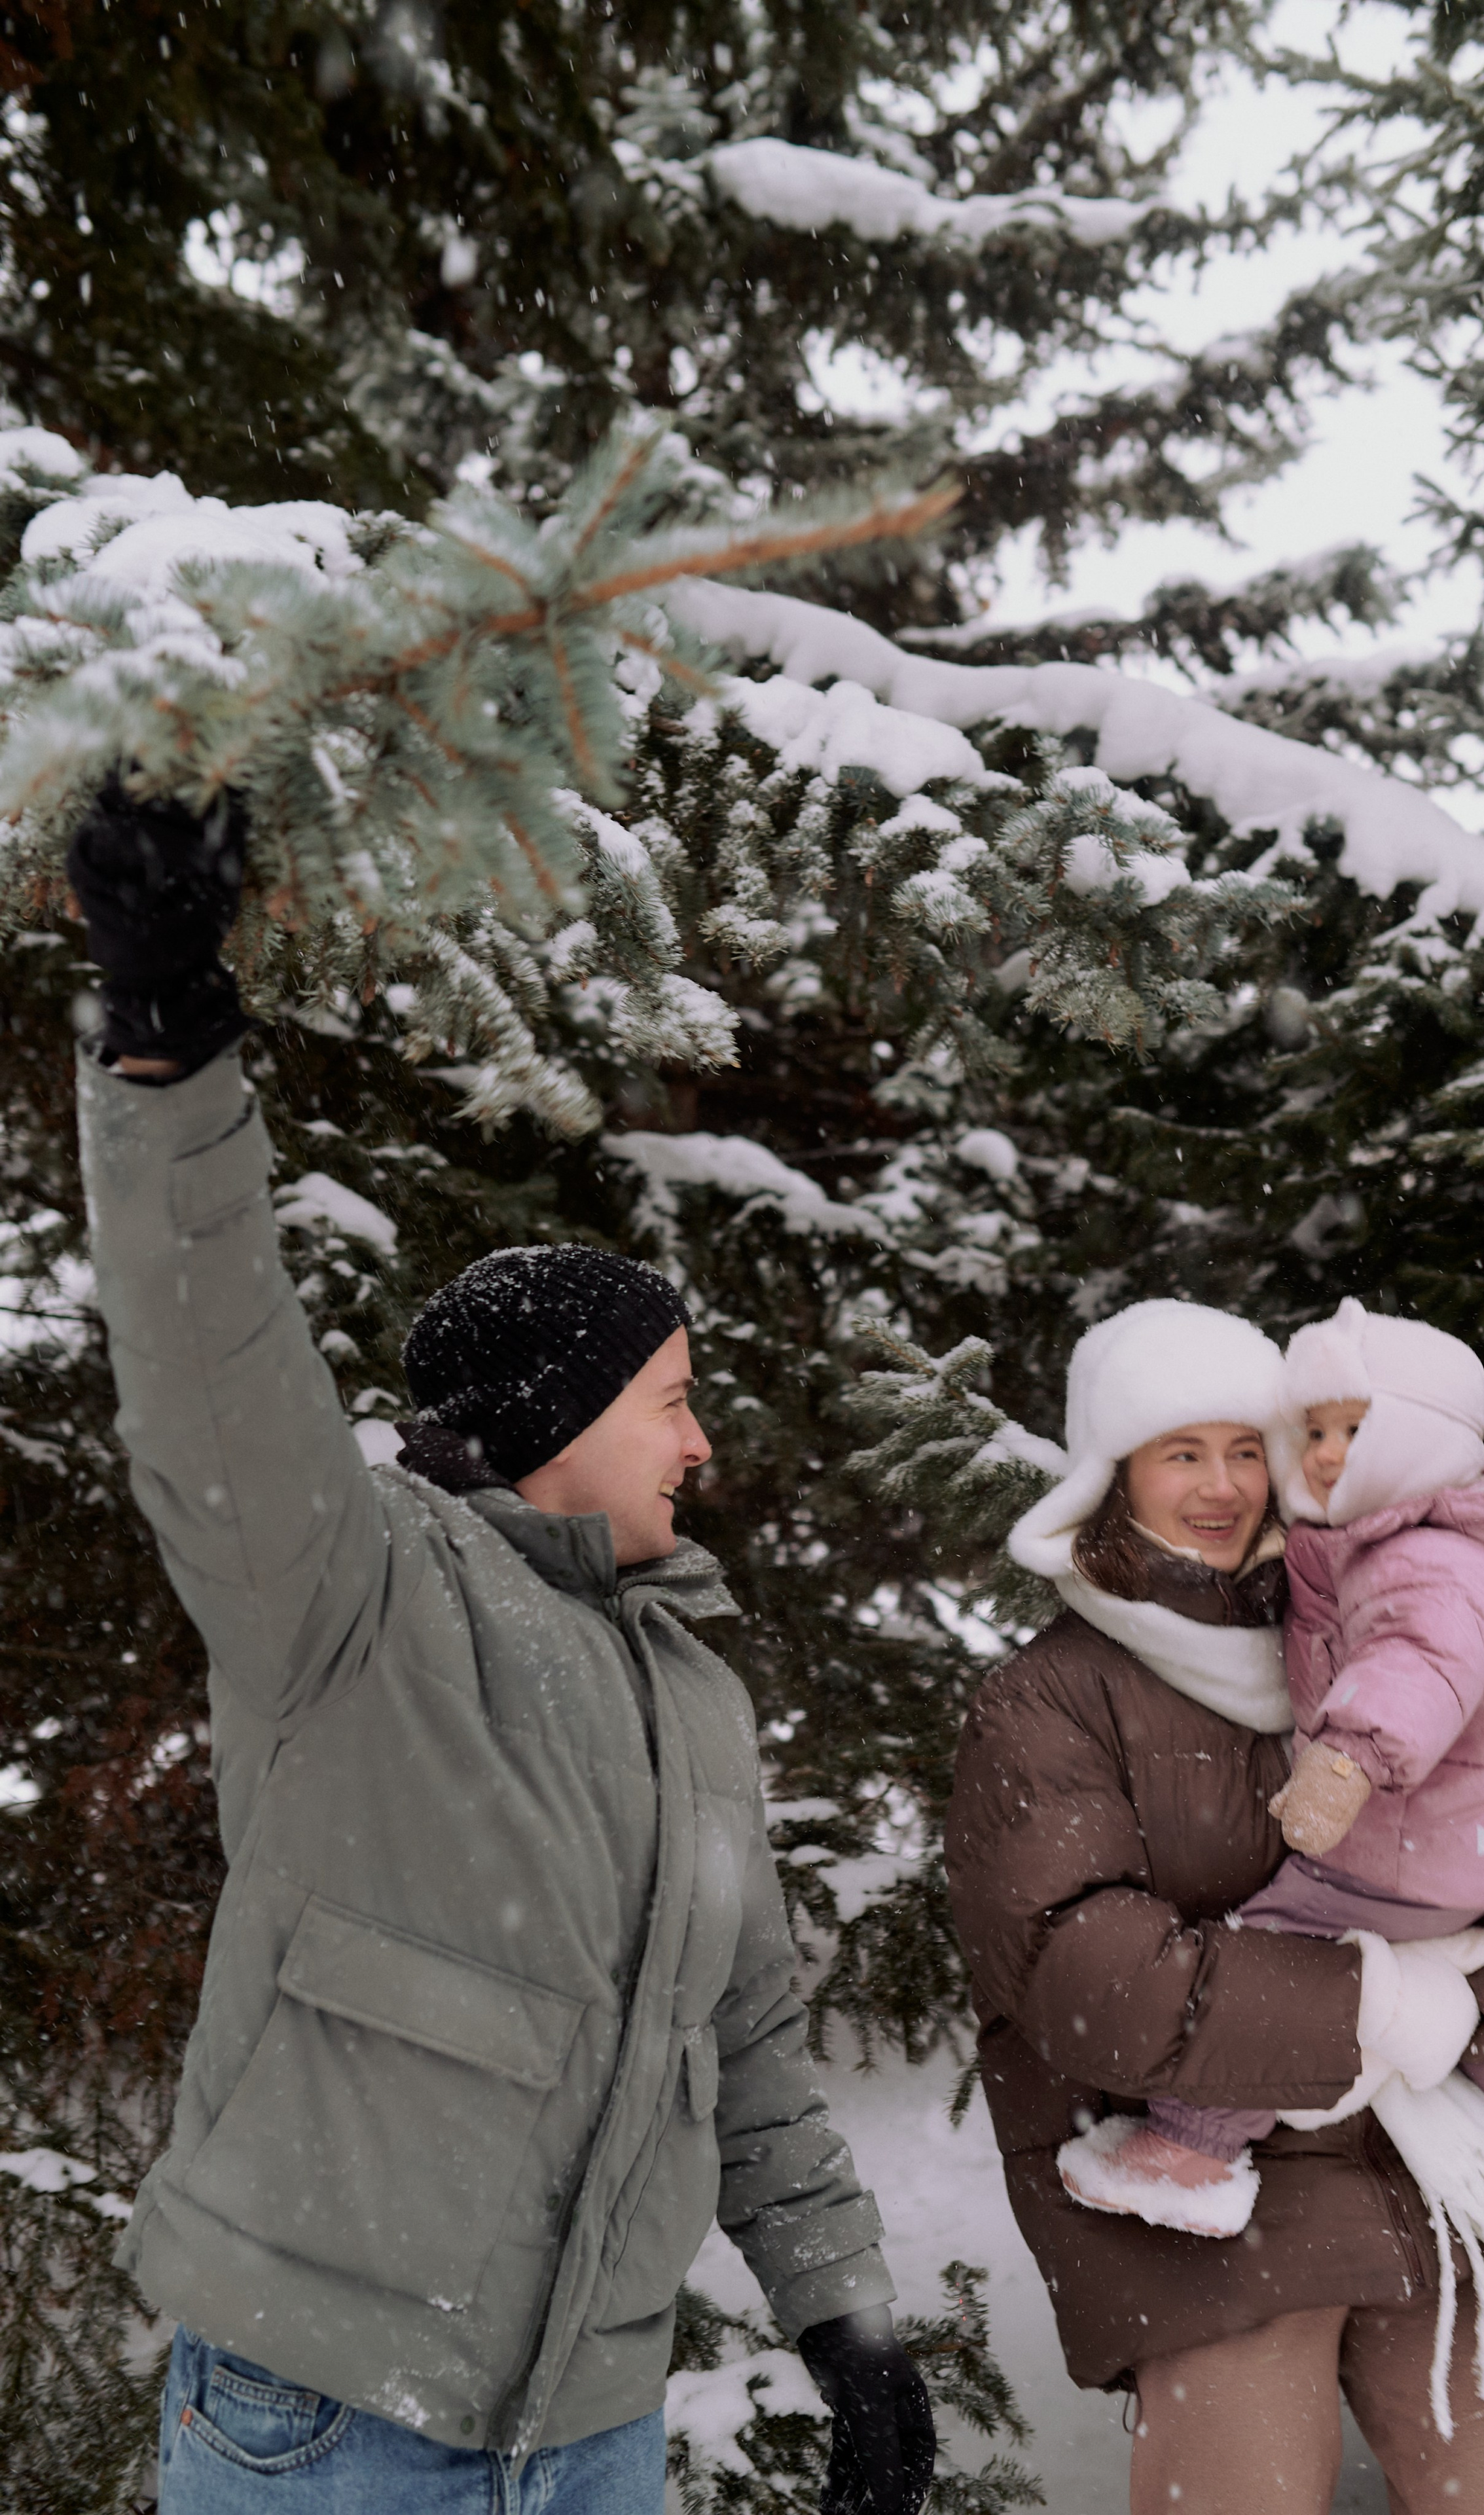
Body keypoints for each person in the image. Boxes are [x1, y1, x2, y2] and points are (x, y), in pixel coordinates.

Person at [65, 786, 935, 2514]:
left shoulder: (693, 1690)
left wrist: (846, 2318)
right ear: (559, 1420)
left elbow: (743, 2037)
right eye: (673, 1406)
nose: (702, 1449)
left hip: (594, 2433)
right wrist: (169, 1055)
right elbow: (210, 1374)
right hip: (324, 2417)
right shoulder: (361, 1595)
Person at [945, 1297, 1484, 2515]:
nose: (1222, 1485)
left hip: (1439, 2179)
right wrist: (1372, 2002)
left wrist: (1448, 2013)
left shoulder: (1412, 1617)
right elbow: (1082, 1977)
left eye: (1245, 1446)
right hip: (1205, 2210)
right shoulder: (1051, 1699)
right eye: (1180, 1452)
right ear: (1115, 1475)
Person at [1060, 1297, 1484, 2243]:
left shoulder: (1424, 1556)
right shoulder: (1453, 1538)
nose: (1327, 1453)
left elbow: (1416, 1669)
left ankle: (1196, 2144)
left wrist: (1348, 1760)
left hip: (1421, 1838)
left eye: (1356, 1429)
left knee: (1276, 1950)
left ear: (1425, 1438)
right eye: (1316, 1430)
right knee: (1470, 2010)